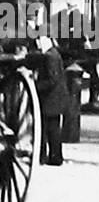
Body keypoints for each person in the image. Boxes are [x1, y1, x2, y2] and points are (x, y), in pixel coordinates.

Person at [35, 35, 68, 165]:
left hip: (51, 98)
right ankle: (54, 156)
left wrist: (37, 86)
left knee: (50, 129)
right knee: (52, 128)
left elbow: (52, 80)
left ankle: (53, 157)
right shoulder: (54, 53)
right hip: (55, 98)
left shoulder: (50, 56)